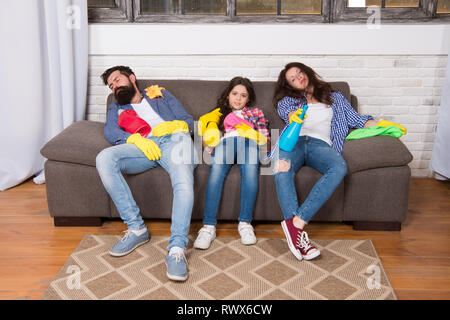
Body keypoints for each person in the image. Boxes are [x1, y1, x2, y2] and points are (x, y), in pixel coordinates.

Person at [272, 62, 385, 261]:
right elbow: (286, 113)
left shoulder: (336, 98)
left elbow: (357, 120)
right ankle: (299, 239)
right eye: (292, 79)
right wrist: (295, 116)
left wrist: (384, 126)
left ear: (306, 72)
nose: (298, 78)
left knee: (339, 167)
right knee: (282, 168)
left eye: (299, 73)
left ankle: (296, 223)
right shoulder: (289, 100)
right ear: (291, 86)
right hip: (293, 142)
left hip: (320, 145)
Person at [96, 66, 197, 281]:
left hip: (174, 141)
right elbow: (110, 131)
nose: (114, 86)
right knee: (104, 158)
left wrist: (174, 126)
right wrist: (134, 139)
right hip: (144, 147)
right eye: (111, 85)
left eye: (117, 80)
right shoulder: (116, 108)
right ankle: (136, 229)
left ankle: (177, 248)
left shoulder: (159, 94)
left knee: (183, 182)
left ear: (132, 78)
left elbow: (187, 121)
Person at [194, 77, 270, 249]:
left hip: (248, 142)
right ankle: (208, 227)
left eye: (243, 95)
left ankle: (245, 224)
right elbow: (206, 143)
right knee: (216, 171)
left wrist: (254, 135)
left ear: (248, 99)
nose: (238, 98)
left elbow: (265, 139)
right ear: (228, 95)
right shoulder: (218, 114)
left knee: (251, 172)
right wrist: (209, 136)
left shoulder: (256, 113)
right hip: (226, 143)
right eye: (235, 94)